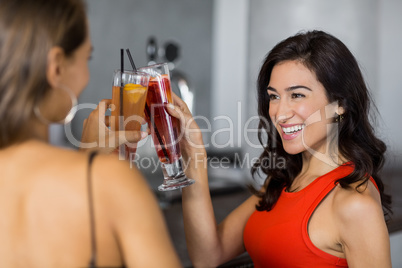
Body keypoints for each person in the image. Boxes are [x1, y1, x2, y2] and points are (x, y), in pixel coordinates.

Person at [167, 30, 392, 267]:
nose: (280, 113)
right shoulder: (285, 181)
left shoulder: (355, 203)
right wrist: (194, 155)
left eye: (296, 95)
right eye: (274, 97)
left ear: (340, 105)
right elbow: (208, 256)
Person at [0, 0, 181, 267]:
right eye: (87, 58)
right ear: (57, 67)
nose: (86, 74)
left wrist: (88, 158)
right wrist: (93, 168)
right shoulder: (111, 181)